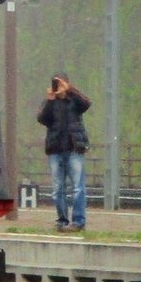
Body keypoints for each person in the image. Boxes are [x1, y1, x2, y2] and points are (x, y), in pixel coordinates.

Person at [37, 72, 92, 232]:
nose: (58, 87)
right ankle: (62, 220)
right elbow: (42, 119)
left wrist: (70, 91)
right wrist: (50, 100)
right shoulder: (50, 102)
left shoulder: (74, 99)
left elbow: (86, 104)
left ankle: (78, 221)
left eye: (60, 83)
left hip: (74, 148)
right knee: (57, 189)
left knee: (78, 187)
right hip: (55, 149)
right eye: (56, 83)